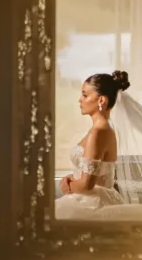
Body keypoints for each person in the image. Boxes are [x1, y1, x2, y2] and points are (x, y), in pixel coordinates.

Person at [54, 70, 130, 218]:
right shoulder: (103, 130)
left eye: (85, 95)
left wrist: (67, 184)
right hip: (95, 197)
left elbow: (87, 185)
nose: (79, 100)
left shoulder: (98, 133)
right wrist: (71, 178)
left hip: (93, 203)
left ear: (101, 100)